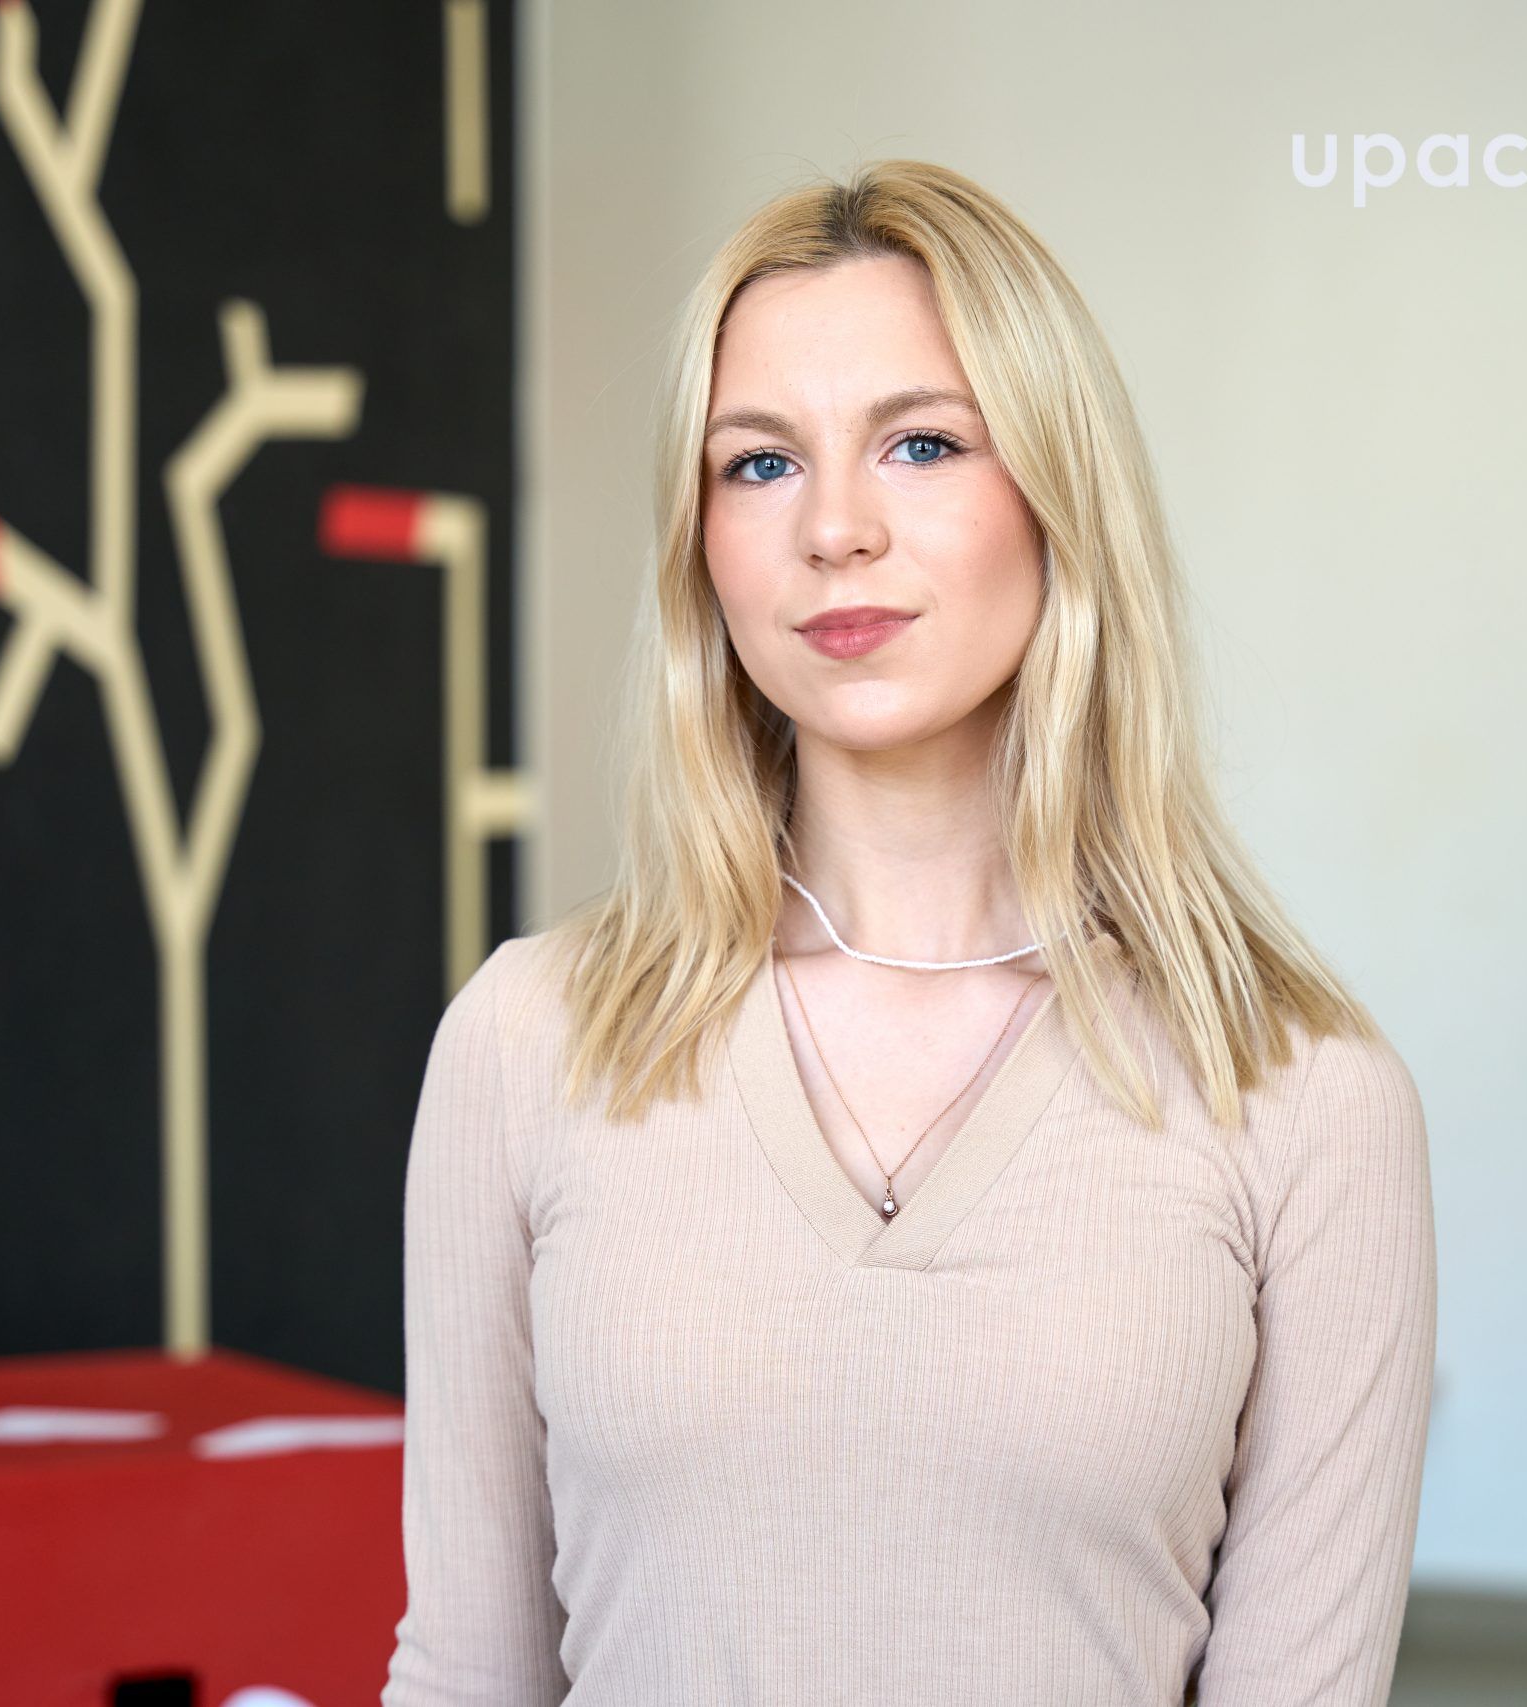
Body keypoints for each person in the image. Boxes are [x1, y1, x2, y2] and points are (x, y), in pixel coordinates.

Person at [382, 158, 1437, 1705]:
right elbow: (466, 1673)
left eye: (923, 443)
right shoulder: (528, 1042)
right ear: (700, 546)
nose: (834, 529)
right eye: (759, 464)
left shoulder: (1302, 1095)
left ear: (1060, 497)